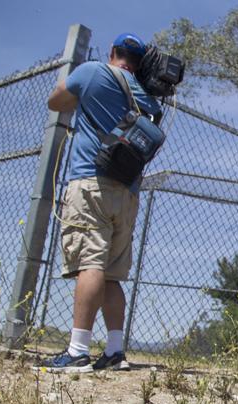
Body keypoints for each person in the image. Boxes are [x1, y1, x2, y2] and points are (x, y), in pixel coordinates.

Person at [38, 33, 161, 373]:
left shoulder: (93, 71)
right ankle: (115, 351)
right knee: (112, 275)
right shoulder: (148, 96)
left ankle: (78, 351)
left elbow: (56, 102)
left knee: (89, 264)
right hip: (129, 193)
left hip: (91, 182)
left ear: (112, 52)